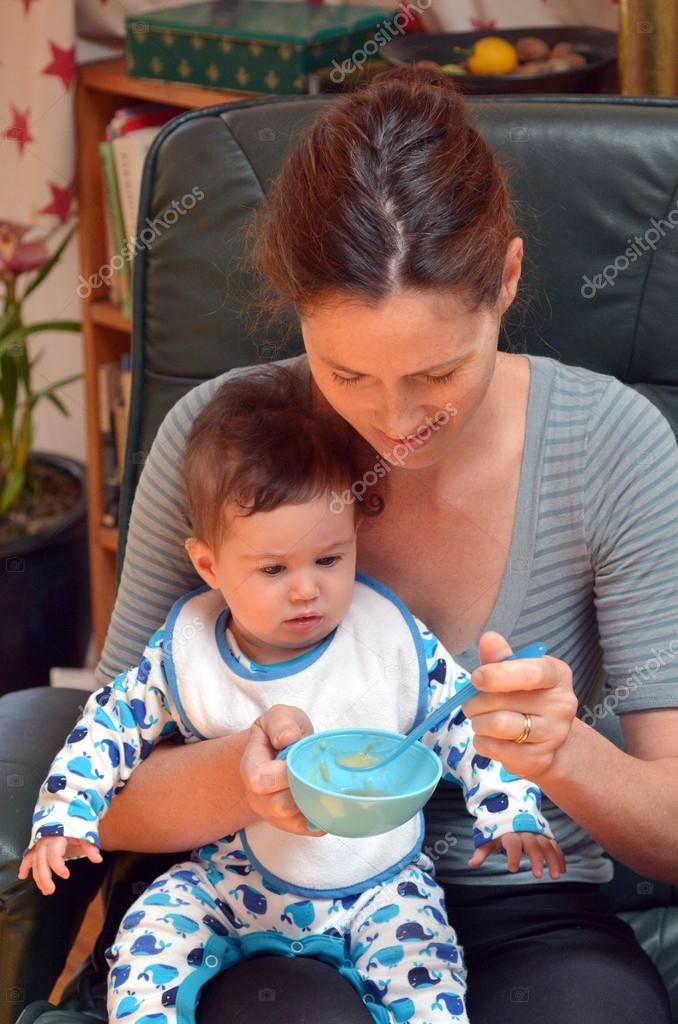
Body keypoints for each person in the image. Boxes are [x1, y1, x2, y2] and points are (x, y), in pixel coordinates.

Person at [89, 66, 676, 1023]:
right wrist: (240, 781)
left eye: (440, 370)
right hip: (267, 901)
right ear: (297, 313)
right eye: (346, 371)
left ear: (509, 281)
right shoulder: (216, 440)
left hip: (524, 900)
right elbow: (107, 798)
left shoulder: (612, 445)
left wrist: (566, 754)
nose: (395, 424)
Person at [19, 367, 565, 1024]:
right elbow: (106, 726)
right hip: (231, 884)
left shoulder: (388, 637)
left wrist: (513, 813)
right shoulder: (187, 650)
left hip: (382, 890)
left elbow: (468, 724)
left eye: (328, 560)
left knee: (432, 990)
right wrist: (64, 818)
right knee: (145, 939)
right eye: (274, 569)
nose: (306, 589)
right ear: (210, 565)